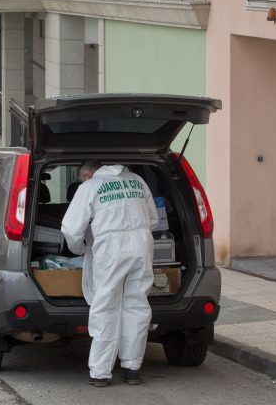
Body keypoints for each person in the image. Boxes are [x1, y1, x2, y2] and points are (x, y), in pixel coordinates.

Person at [61, 160, 158, 388]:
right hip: (142, 245)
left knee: (106, 305)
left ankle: (100, 372)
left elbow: (71, 229)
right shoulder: (136, 180)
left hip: (111, 247)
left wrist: (80, 249)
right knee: (137, 305)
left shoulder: (90, 187)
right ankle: (132, 368)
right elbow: (153, 219)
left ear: (87, 175)